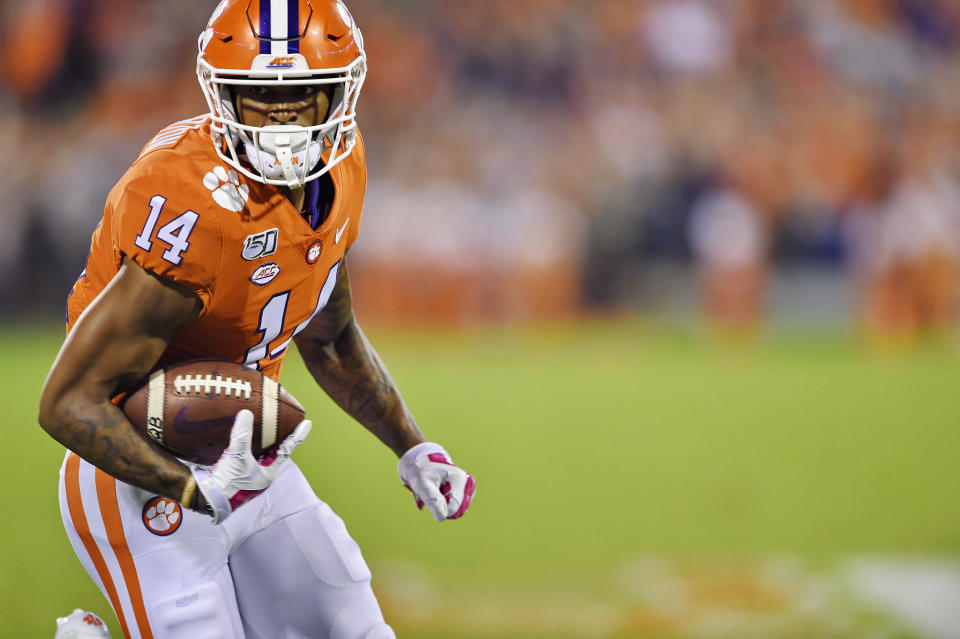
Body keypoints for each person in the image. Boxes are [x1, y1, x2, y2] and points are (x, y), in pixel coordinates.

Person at [37, 1, 476, 637]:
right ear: (224, 96)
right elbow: (66, 402)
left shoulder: (343, 169)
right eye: (258, 96)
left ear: (338, 95)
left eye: (302, 93)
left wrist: (412, 448)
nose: (281, 118)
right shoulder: (189, 205)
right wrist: (192, 490)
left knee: (355, 628)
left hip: (249, 459)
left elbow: (329, 335)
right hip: (137, 480)